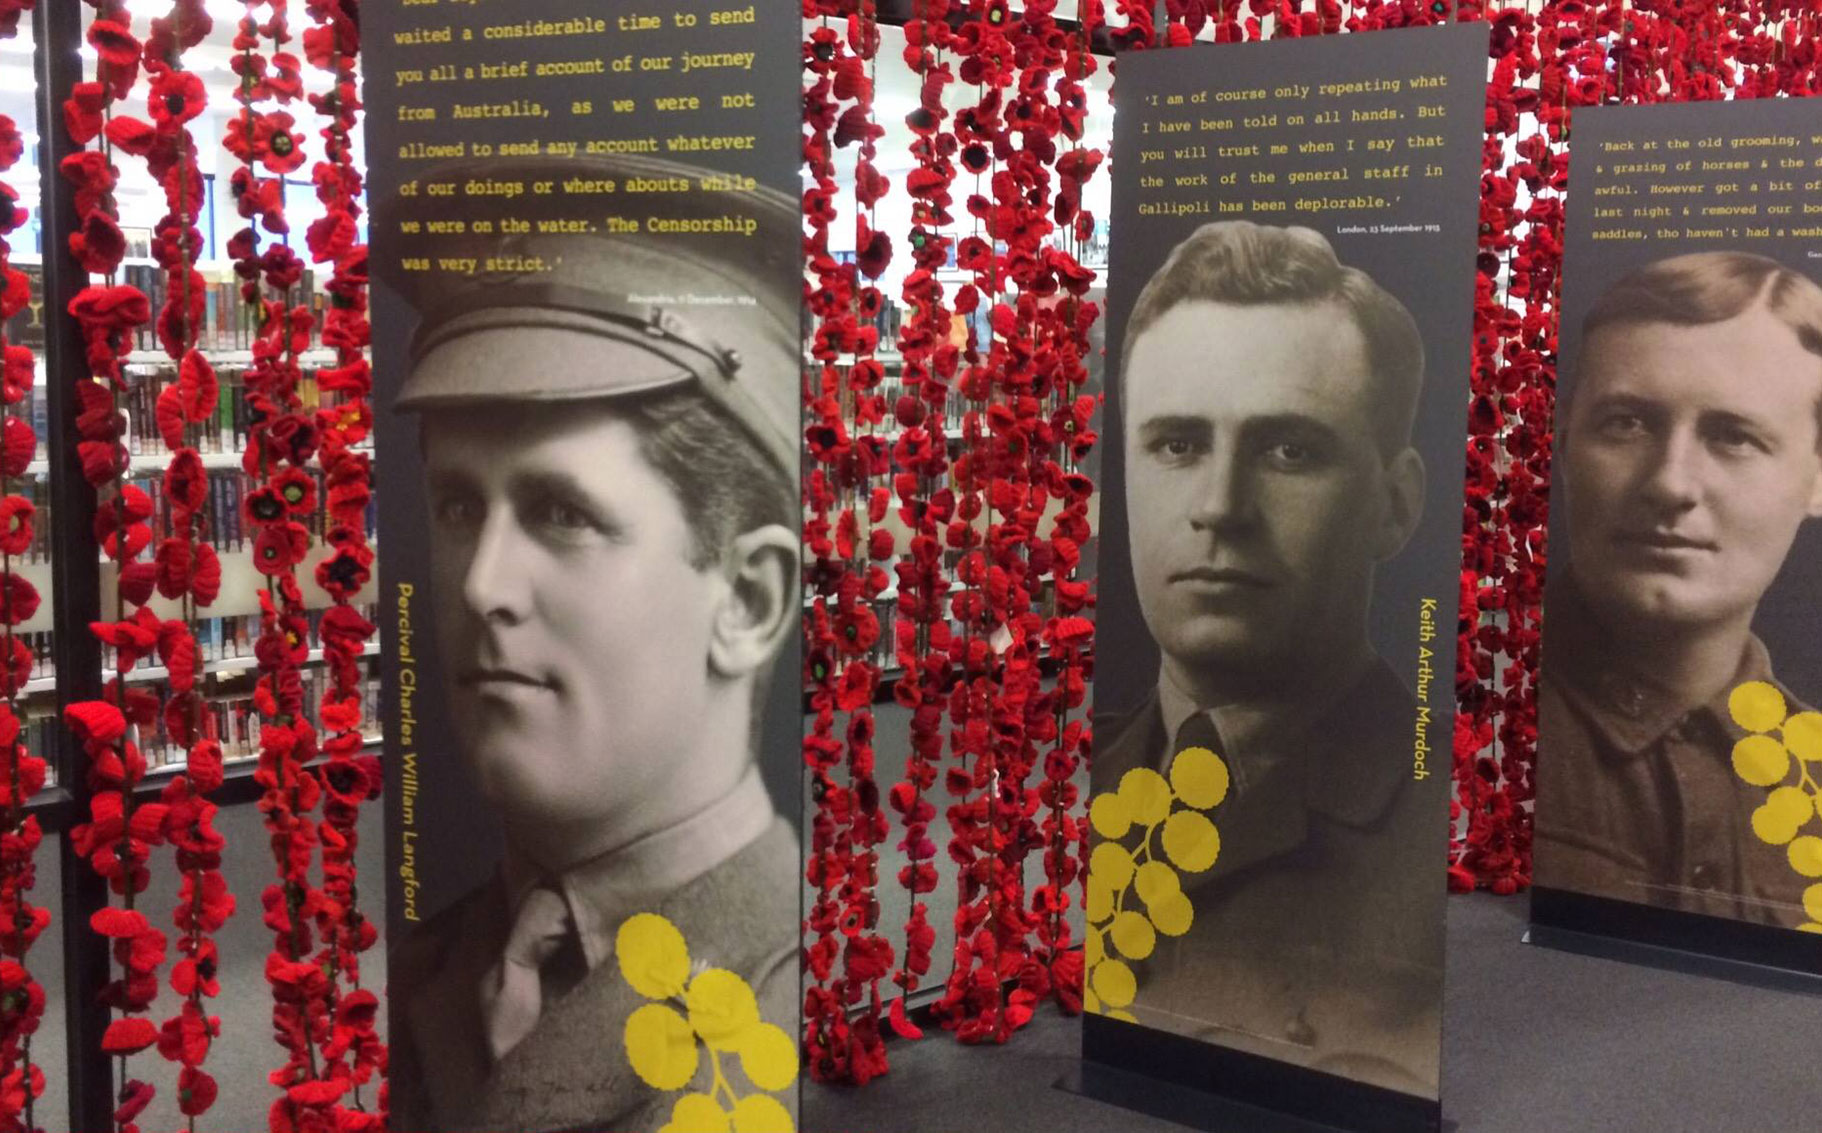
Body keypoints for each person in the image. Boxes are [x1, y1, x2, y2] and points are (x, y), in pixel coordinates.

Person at [381, 155, 801, 1133]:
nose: (482, 584)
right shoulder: (431, 972)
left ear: (745, 598)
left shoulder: (786, 977)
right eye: (455, 503)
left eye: (561, 511)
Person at [1095, 220, 1444, 1096]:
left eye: (1290, 450)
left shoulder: (1435, 809)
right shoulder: (1089, 771)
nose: (1219, 507)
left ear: (1396, 506)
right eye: (1176, 444)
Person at [1535, 251, 1822, 930]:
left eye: (1733, 436)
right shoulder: (1462, 730)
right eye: (1627, 423)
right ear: (1564, 435)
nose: (1670, 483)